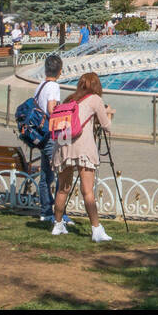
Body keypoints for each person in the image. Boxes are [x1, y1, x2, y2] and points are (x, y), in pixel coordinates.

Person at [50, 72, 115, 242]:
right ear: (96, 86)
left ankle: (57, 225)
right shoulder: (95, 100)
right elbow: (107, 126)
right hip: (83, 148)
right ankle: (96, 229)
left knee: (62, 189)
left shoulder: (70, 99)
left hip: (64, 147)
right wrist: (109, 113)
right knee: (87, 191)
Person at [35, 54, 68, 226]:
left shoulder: (41, 85)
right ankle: (59, 215)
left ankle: (46, 211)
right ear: (60, 71)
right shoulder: (54, 86)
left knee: (45, 175)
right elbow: (51, 109)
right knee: (61, 173)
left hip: (39, 135)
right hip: (50, 135)